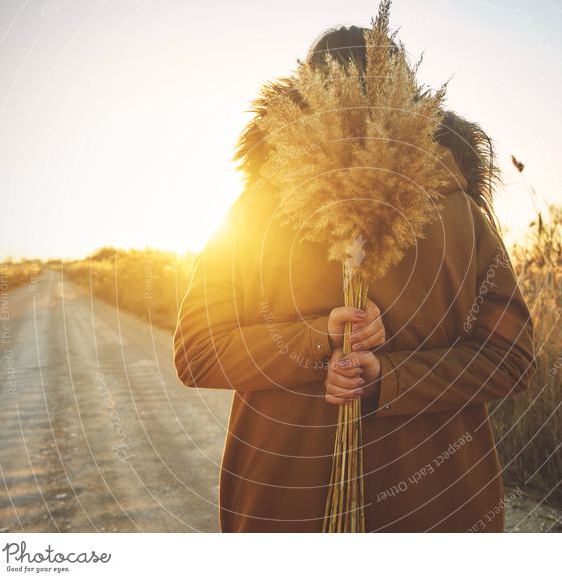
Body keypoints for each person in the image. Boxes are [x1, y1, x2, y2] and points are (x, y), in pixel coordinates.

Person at [173, 24, 536, 532]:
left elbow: (196, 354)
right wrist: (347, 352)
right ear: (406, 92)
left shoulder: (252, 213)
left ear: (306, 92)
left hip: (282, 509)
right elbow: (512, 360)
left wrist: (351, 359)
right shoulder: (462, 214)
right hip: (443, 514)